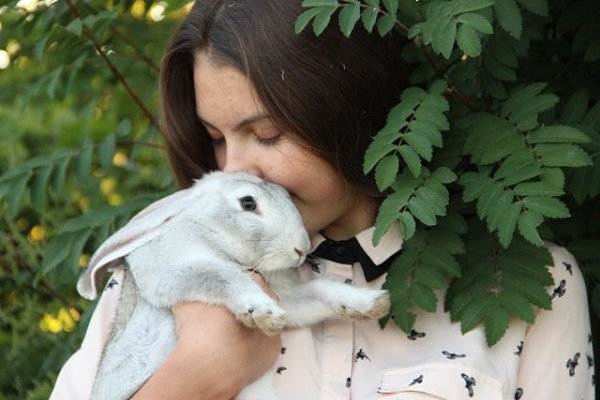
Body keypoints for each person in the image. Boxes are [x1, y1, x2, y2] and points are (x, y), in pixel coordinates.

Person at [51, 0, 596, 399]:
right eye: (216, 138)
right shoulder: (166, 271)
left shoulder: (535, 284)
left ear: (346, 110)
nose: (232, 171)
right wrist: (193, 378)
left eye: (266, 134)